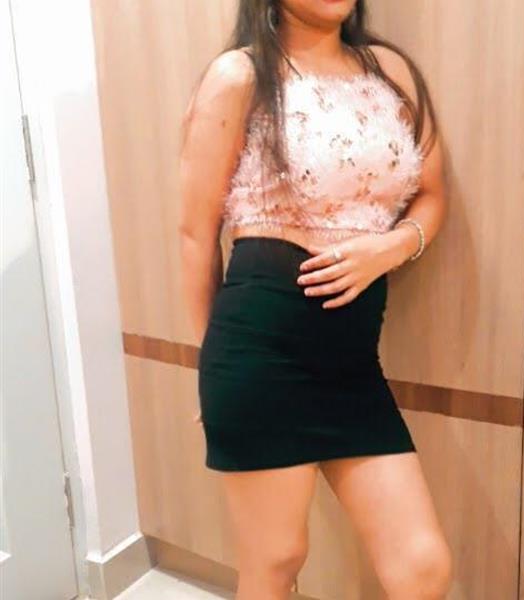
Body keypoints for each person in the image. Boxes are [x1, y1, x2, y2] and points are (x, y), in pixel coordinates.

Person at [178, 1, 451, 598]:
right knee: (277, 561)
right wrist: (208, 368)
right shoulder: (239, 75)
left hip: (353, 365)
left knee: (422, 565)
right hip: (259, 354)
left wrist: (390, 247)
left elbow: (433, 193)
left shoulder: (390, 71)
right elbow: (197, 235)